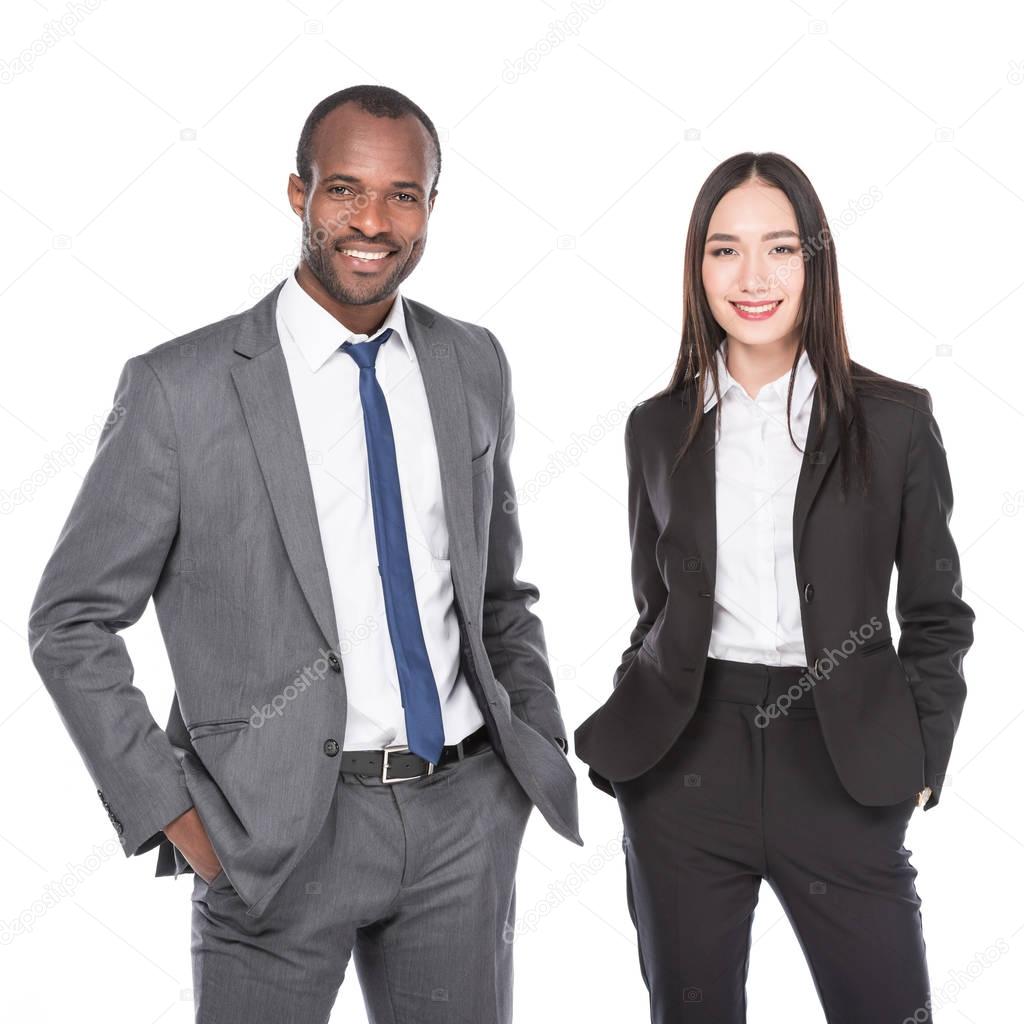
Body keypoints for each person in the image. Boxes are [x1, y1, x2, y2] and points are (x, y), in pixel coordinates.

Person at [27, 84, 581, 1023]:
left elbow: (498, 591)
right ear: (298, 194)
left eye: (403, 195)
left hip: (461, 820)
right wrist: (172, 812)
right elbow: (69, 619)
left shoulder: (471, 362)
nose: (372, 221)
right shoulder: (181, 391)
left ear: (432, 207)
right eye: (344, 191)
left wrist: (526, 750)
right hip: (273, 839)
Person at [574, 151, 974, 1023]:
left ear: (813, 262)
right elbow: (656, 606)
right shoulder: (656, 427)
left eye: (779, 249)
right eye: (725, 250)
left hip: (843, 760)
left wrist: (921, 762)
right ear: (698, 266)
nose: (752, 276)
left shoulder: (897, 421)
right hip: (685, 761)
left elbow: (939, 615)